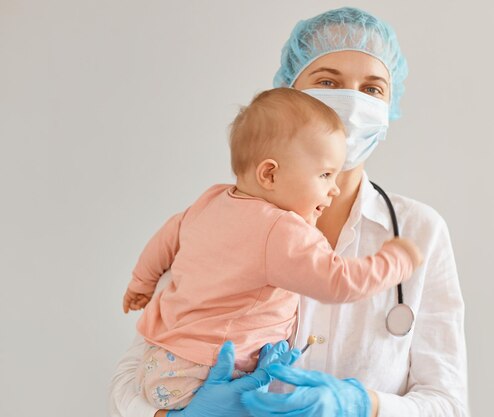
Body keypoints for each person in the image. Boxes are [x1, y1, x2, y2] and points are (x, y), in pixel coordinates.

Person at [109, 7, 469, 417]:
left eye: (372, 89)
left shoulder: (420, 231)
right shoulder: (221, 220)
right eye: (328, 81)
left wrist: (362, 406)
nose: (352, 101)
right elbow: (133, 373)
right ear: (291, 92)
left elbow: (448, 405)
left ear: (390, 106)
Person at [122, 87, 421, 411]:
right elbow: (339, 280)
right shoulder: (281, 229)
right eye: (324, 175)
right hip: (203, 374)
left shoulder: (210, 200)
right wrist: (395, 260)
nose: (333, 188)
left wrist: (141, 283)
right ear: (270, 174)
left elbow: (165, 239)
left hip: (161, 363)